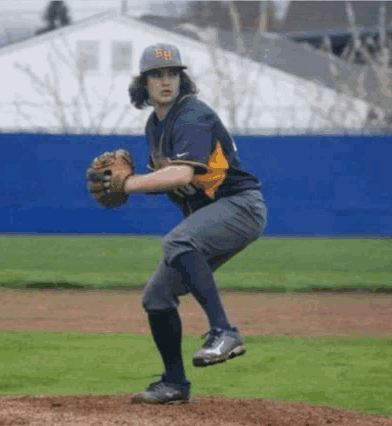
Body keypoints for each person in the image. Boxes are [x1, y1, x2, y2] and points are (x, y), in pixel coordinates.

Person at [124, 43, 267, 405]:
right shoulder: (155, 125)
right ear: (144, 83)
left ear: (181, 79)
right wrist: (137, 182)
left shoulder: (191, 114)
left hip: (240, 206)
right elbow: (170, 179)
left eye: (172, 73)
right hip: (215, 212)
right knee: (157, 297)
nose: (166, 80)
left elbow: (183, 172)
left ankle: (225, 331)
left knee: (176, 242)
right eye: (156, 74)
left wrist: (127, 184)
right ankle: (174, 384)